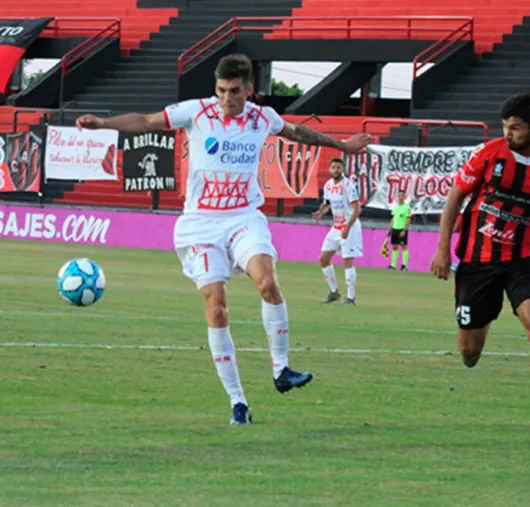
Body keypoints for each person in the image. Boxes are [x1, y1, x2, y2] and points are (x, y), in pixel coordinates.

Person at [75, 54, 374, 425]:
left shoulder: (263, 118)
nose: (226, 98)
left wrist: (342, 146)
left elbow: (298, 132)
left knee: (267, 281)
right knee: (217, 306)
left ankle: (281, 368)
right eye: (220, 90)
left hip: (244, 217)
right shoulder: (196, 112)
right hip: (200, 224)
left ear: (249, 89)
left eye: (234, 91)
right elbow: (145, 120)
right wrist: (102, 123)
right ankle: (238, 402)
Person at [429, 91, 530, 442]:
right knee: (470, 352)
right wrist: (443, 249)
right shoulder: (488, 155)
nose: (508, 133)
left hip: (524, 262)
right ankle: (480, 325)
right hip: (477, 262)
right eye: (505, 127)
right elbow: (455, 197)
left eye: (514, 127)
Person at [312, 158, 362, 306]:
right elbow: (327, 203)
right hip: (336, 226)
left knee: (347, 260)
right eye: (333, 167)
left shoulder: (347, 185)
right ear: (329, 169)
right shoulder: (328, 185)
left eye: (338, 167)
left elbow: (357, 209)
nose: (336, 170)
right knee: (323, 259)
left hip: (349, 226)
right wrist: (320, 212)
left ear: (343, 169)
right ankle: (334, 292)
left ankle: (351, 298)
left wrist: (347, 227)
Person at [384, 189, 412, 271]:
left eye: (401, 196)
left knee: (403, 246)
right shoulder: (395, 207)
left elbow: (408, 220)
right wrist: (390, 228)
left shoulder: (407, 208)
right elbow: (393, 218)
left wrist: (404, 230)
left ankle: (404, 266)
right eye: (399, 195)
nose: (400, 197)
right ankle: (393, 265)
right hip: (394, 229)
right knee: (394, 247)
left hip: (401, 229)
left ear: (404, 197)